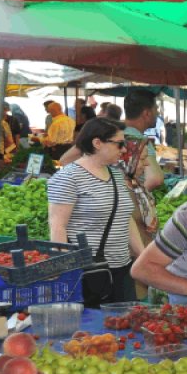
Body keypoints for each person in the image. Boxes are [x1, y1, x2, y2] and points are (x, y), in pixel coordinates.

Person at [47, 118, 141, 308]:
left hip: (122, 270)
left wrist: (142, 255)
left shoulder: (116, 174)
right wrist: (65, 270)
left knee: (123, 321)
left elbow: (124, 217)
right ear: (97, 143)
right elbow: (57, 226)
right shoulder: (68, 177)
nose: (124, 149)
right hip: (88, 271)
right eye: (119, 144)